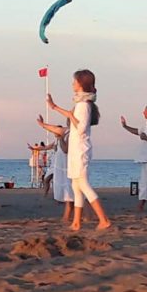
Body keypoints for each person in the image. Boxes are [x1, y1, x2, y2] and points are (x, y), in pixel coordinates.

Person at [46, 70, 112, 231]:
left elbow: (81, 128)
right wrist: (54, 107)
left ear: (81, 84)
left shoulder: (83, 105)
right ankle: (76, 222)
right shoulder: (82, 104)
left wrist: (68, 114)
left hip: (80, 150)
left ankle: (103, 219)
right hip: (76, 150)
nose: (72, 84)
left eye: (74, 81)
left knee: (83, 184)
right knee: (76, 186)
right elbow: (73, 118)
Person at [36, 117, 73, 222]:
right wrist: (35, 148)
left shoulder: (69, 135)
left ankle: (78, 215)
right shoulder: (61, 137)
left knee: (72, 188)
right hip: (57, 165)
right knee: (48, 180)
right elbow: (46, 147)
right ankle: (51, 197)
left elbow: (65, 150)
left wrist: (42, 124)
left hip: (65, 165)